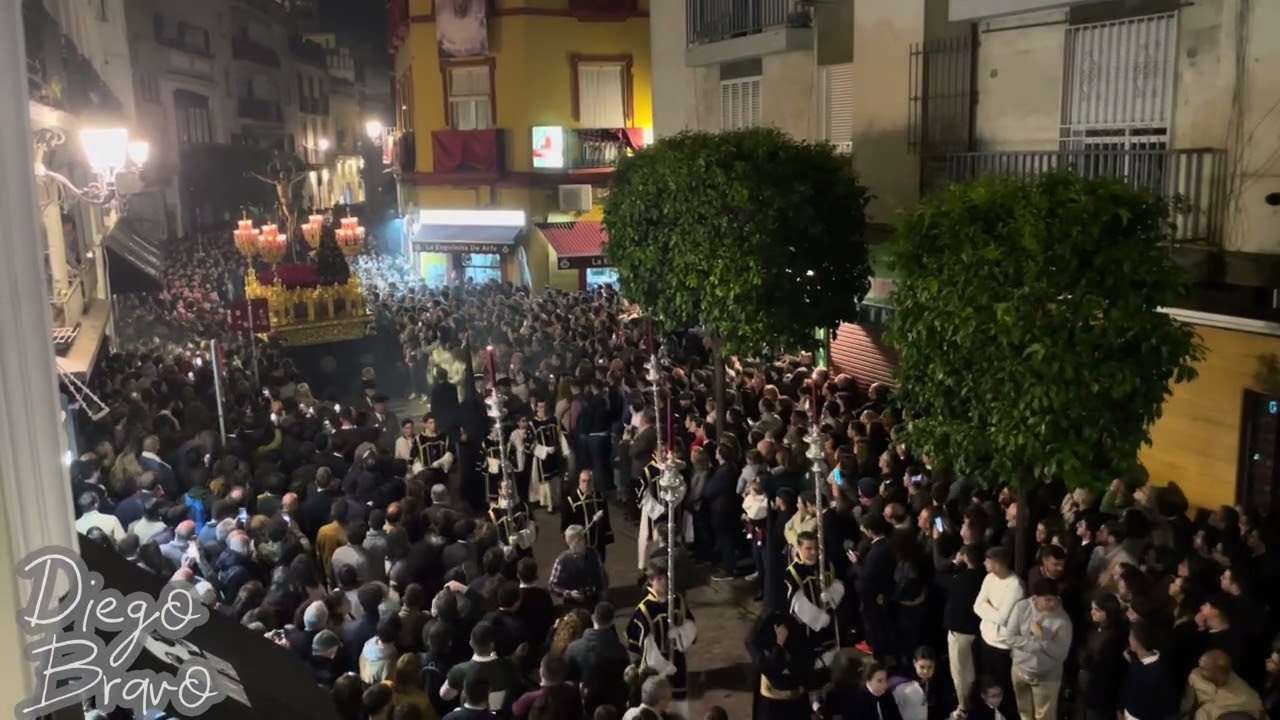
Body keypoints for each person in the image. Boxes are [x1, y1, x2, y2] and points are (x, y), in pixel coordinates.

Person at [626, 560, 697, 718]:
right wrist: (664, 668)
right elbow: (645, 646)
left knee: (679, 705)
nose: (664, 581)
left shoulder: (677, 600)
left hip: (677, 660)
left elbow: (691, 625)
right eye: (659, 578)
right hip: (657, 668)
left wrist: (679, 633)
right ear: (650, 581)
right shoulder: (645, 609)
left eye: (665, 577)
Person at [1006, 578, 1072, 720]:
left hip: (1046, 678)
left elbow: (1061, 654)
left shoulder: (1063, 620)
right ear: (1035, 598)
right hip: (1020, 669)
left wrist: (1041, 637)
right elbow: (1010, 637)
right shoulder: (1022, 607)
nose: (1052, 603)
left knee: (1045, 717)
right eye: (1047, 600)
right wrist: (1036, 644)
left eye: (1054, 599)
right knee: (1024, 713)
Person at [784, 530, 844, 668]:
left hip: (829, 619)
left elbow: (838, 583)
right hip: (807, 625)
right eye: (808, 548)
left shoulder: (827, 564)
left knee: (830, 655)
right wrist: (819, 619)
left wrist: (832, 594)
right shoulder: (794, 572)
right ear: (799, 549)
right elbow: (796, 602)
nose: (813, 552)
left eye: (816, 548)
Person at [746, 611, 814, 720]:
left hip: (794, 700)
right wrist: (779, 646)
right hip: (772, 702)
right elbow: (770, 668)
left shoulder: (799, 624)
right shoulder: (764, 627)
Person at [1181, 649, 1263, 720]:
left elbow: (1258, 712)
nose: (1199, 669)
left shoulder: (1246, 696)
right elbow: (1187, 706)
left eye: (1205, 669)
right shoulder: (1195, 676)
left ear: (1218, 671)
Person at [549, 525, 608, 611]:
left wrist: (602, 593)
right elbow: (552, 585)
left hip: (593, 601)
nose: (583, 542)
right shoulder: (562, 560)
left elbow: (601, 575)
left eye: (583, 538)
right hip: (573, 606)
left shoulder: (593, 553)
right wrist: (569, 593)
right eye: (579, 540)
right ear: (570, 542)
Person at [562, 470, 614, 564]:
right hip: (579, 546)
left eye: (589, 481)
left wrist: (607, 536)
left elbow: (606, 519)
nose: (586, 484)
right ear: (579, 481)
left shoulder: (600, 498)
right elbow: (565, 526)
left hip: (598, 544)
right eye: (583, 481)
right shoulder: (571, 501)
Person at [489, 479, 536, 562]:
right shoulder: (494, 513)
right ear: (500, 491)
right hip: (506, 557)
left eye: (511, 487)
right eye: (506, 488)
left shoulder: (523, 507)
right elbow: (492, 537)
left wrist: (522, 536)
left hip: (524, 552)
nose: (510, 491)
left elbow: (533, 527)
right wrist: (505, 549)